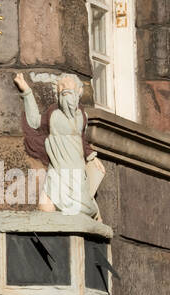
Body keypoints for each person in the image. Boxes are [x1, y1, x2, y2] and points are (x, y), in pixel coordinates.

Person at [13, 71, 103, 219]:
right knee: (45, 206)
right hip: (57, 166)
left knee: (79, 206)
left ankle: (91, 215)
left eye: (69, 84)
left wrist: (92, 157)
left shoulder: (83, 115)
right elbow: (35, 121)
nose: (65, 87)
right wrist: (27, 91)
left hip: (75, 167)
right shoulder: (53, 112)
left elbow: (82, 140)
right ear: (57, 92)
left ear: (79, 90)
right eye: (61, 85)